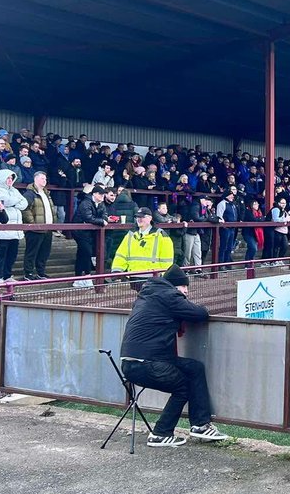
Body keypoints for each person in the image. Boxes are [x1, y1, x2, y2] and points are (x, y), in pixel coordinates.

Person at [119, 265, 229, 448]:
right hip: (149, 363)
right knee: (183, 387)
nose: (186, 291)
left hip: (131, 363)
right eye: (184, 286)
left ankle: (200, 425)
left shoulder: (146, 296)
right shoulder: (169, 296)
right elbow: (200, 314)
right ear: (174, 285)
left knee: (194, 368)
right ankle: (161, 433)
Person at [111, 208, 176, 282]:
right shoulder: (130, 235)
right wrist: (117, 271)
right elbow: (121, 255)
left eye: (142, 217)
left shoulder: (161, 236)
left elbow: (167, 260)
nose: (139, 219)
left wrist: (164, 276)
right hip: (134, 278)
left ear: (150, 218)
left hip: (154, 279)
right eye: (137, 217)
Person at [0, 168, 28, 283]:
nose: (10, 180)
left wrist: (13, 202)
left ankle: (7, 275)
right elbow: (5, 201)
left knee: (12, 255)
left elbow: (24, 203)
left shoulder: (14, 190)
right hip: (3, 230)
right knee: (0, 255)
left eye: (11, 178)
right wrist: (16, 201)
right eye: (7, 178)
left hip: (16, 229)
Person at [21, 171, 57, 280]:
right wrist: (32, 223)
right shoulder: (29, 193)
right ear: (35, 179)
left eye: (45, 179)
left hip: (48, 228)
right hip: (35, 229)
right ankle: (28, 273)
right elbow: (25, 209)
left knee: (44, 252)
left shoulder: (46, 193)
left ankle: (41, 272)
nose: (44, 181)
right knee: (32, 252)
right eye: (42, 179)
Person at [73, 185, 108, 277]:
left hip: (90, 232)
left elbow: (105, 215)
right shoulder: (85, 203)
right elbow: (88, 218)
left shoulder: (101, 203)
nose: (102, 196)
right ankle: (86, 274)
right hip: (79, 231)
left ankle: (79, 275)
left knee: (82, 252)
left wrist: (101, 220)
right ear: (94, 194)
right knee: (87, 251)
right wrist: (101, 221)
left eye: (103, 195)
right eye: (100, 194)